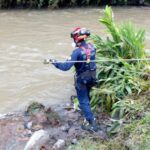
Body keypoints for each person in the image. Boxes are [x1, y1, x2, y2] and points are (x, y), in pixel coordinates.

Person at [49, 27, 98, 132]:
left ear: (76, 39)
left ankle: (92, 123)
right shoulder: (92, 47)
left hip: (82, 80)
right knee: (87, 96)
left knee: (83, 101)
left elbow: (65, 67)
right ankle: (87, 113)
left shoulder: (77, 52)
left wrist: (54, 62)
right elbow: (89, 60)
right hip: (92, 77)